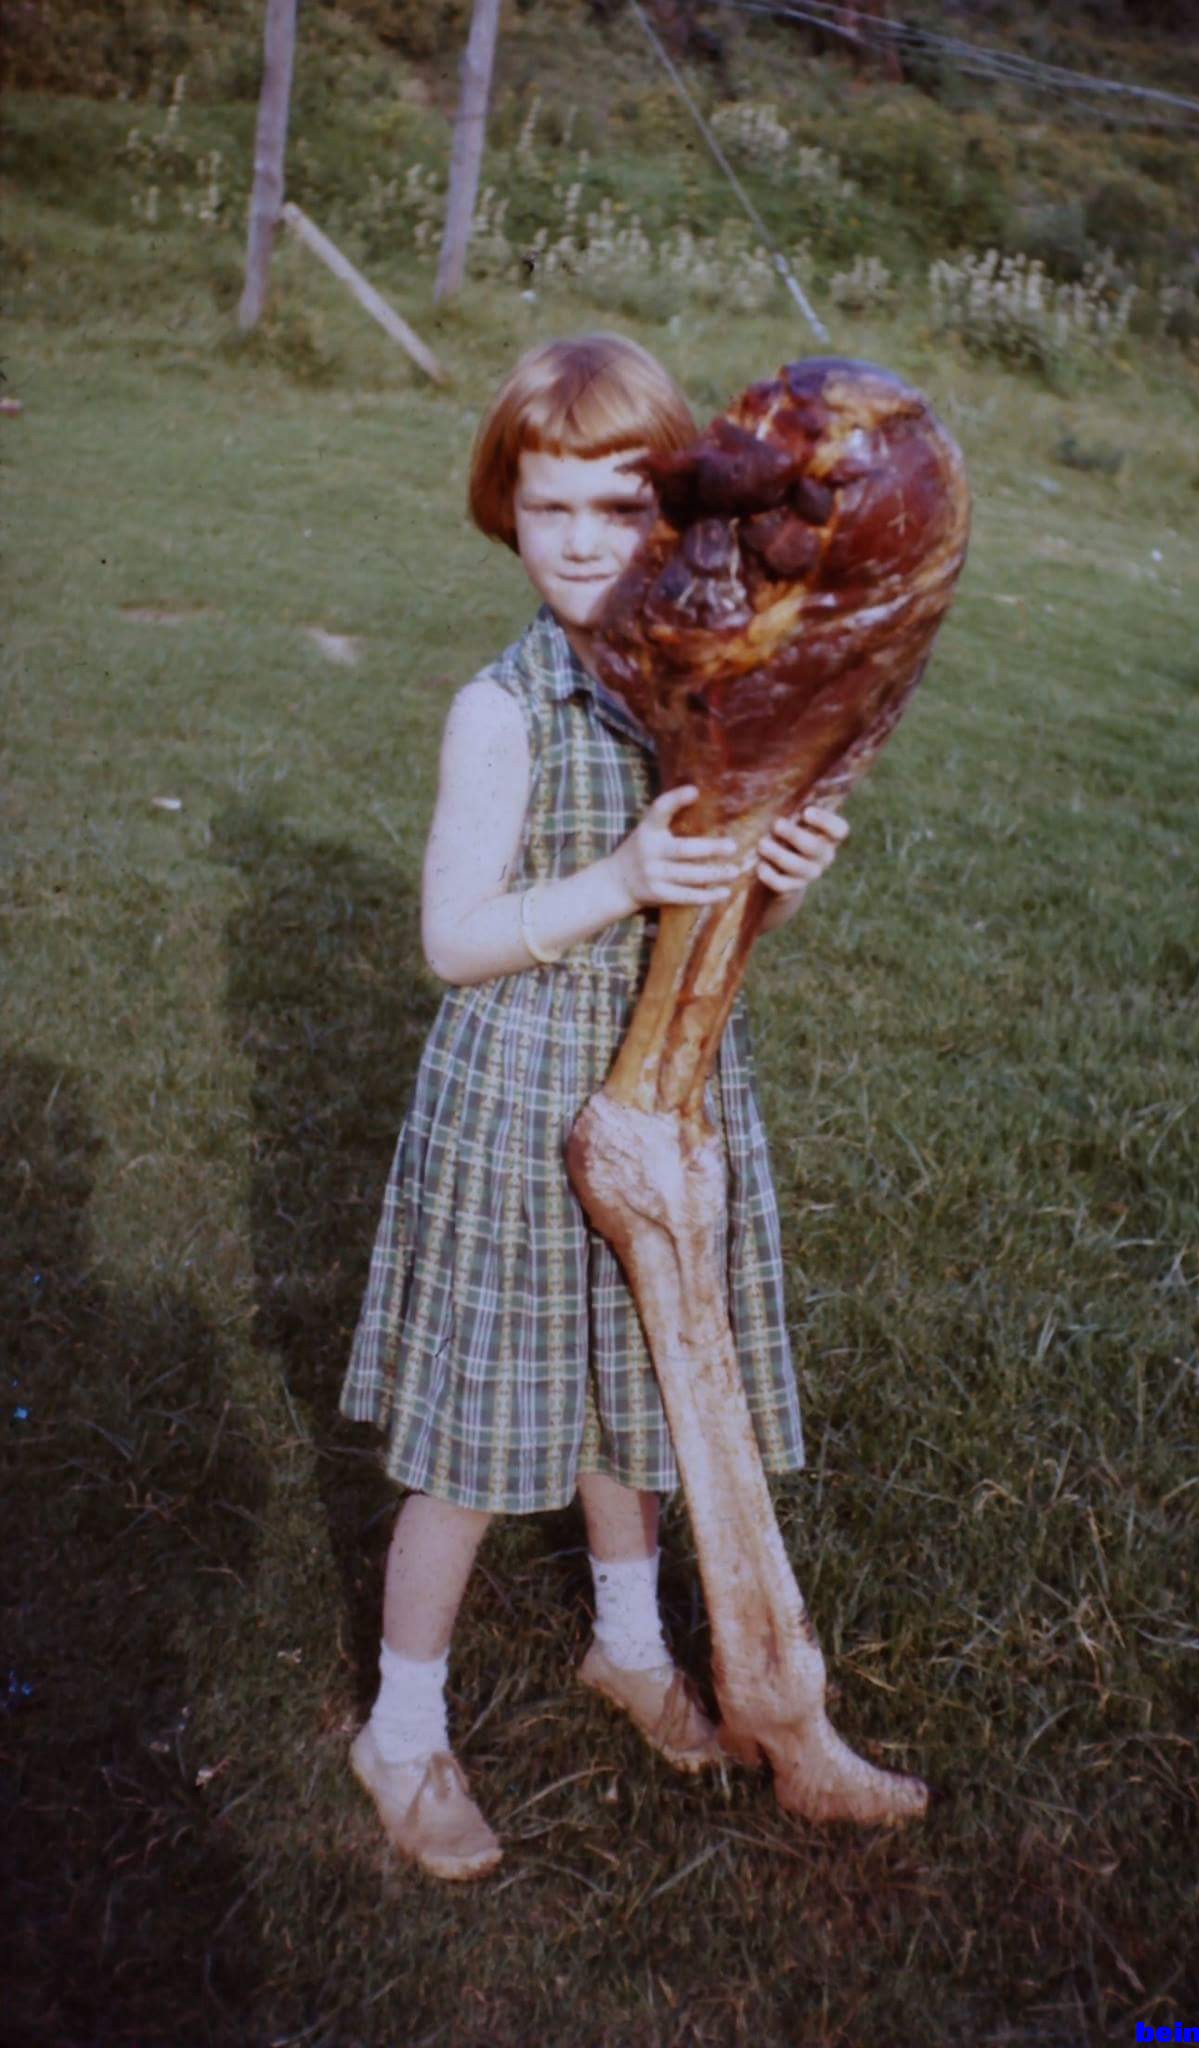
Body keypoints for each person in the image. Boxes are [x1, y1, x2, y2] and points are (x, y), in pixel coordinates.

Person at [340, 333, 852, 1880]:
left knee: (638, 1392)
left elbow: (719, 911)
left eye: (620, 509)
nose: (580, 543)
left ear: (676, 520)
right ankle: (401, 1732)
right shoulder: (502, 710)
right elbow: (451, 942)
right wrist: (619, 876)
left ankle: (626, 1646)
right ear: (504, 510)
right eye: (547, 507)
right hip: (518, 1092)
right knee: (477, 1431)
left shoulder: (702, 690)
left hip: (667, 1085)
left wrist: (781, 876)